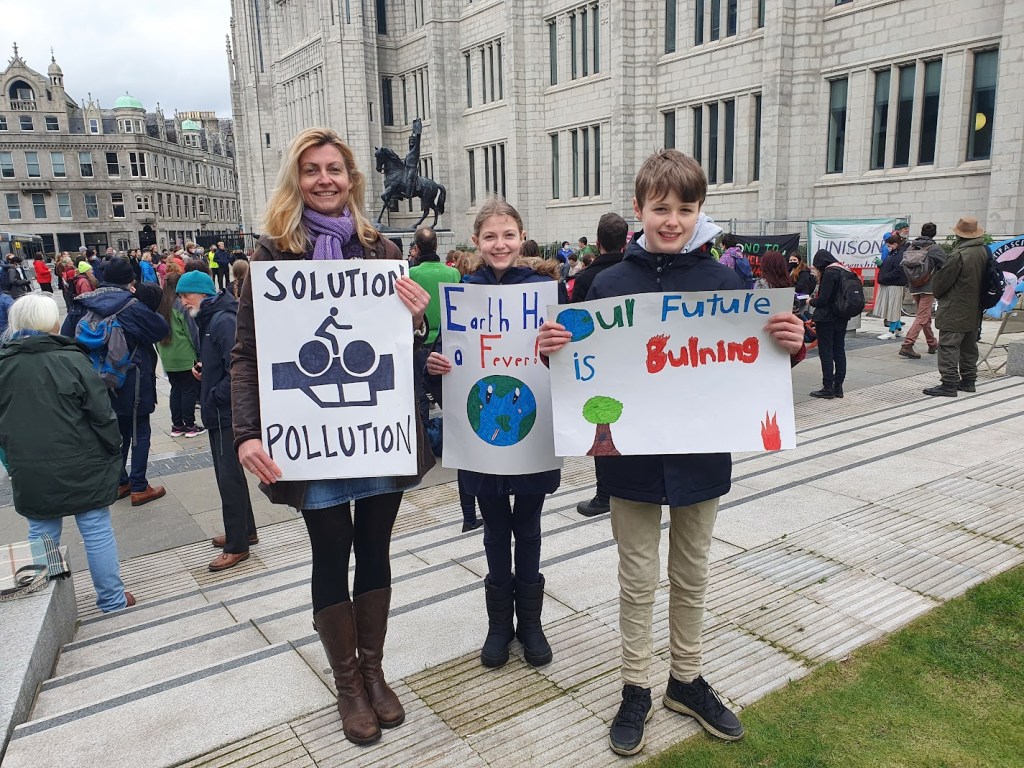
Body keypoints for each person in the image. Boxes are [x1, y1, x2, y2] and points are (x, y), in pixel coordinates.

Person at [536, 150, 806, 757]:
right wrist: (550, 346)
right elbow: (577, 369)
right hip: (629, 461)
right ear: (639, 210)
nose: (673, 220)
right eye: (661, 208)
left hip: (700, 457)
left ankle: (685, 677)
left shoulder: (727, 282)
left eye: (685, 209)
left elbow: (757, 364)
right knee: (636, 579)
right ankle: (636, 685)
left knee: (693, 574)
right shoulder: (606, 283)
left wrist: (791, 345)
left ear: (699, 211)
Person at [230, 127, 435, 746]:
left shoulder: (381, 248)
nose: (325, 179)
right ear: (298, 180)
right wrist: (246, 433)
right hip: (313, 441)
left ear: (352, 180)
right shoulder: (271, 256)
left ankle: (373, 673)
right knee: (331, 552)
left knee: (375, 548)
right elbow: (246, 354)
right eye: (313, 170)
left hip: (377, 433)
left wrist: (417, 317)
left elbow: (406, 351)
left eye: (335, 170)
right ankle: (347, 685)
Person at [426, 198, 561, 671]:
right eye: (490, 236)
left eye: (508, 235)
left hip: (529, 435)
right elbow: (445, 359)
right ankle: (499, 625)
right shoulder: (462, 293)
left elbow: (569, 361)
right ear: (477, 242)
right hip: (482, 439)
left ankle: (532, 622)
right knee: (494, 531)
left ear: (521, 237)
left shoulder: (544, 292)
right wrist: (435, 365)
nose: (500, 244)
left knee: (528, 527)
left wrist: (559, 346)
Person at [0, 294, 134, 612]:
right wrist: (113, 448)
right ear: (52, 323)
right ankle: (112, 601)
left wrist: (11, 460)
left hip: (30, 465)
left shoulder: (4, 366)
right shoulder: (71, 359)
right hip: (83, 460)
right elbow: (101, 413)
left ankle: (42, 610)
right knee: (96, 528)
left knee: (42, 532)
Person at [61, 257, 169, 505]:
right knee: (140, 429)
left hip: (95, 380)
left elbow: (66, 340)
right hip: (131, 378)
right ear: (131, 280)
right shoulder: (132, 306)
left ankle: (120, 482)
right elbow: (161, 330)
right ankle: (140, 486)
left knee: (115, 432)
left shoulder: (82, 305)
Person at [176, 270, 257, 571]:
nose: (183, 301)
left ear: (203, 294)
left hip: (225, 411)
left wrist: (214, 394)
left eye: (187, 295)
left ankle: (238, 546)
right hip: (220, 408)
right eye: (181, 295)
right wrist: (204, 370)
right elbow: (222, 361)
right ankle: (245, 530)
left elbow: (238, 367)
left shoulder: (221, 320)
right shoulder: (210, 317)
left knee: (228, 478)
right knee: (230, 475)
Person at [573, 212, 629, 518]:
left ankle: (605, 493)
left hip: (598, 366)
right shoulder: (636, 274)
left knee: (602, 427)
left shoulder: (585, 279)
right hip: (631, 364)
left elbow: (577, 327)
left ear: (597, 242)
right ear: (625, 240)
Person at [923, 217, 988, 397]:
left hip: (955, 306)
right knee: (969, 345)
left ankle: (949, 383)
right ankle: (969, 381)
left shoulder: (960, 254)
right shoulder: (983, 251)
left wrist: (937, 288)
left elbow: (942, 283)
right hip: (974, 307)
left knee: (949, 346)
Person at [408, 225, 460, 435]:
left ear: (417, 248)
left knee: (419, 393)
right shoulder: (453, 273)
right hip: (447, 342)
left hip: (421, 341)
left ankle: (422, 438)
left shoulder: (411, 273)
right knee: (448, 394)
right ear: (436, 245)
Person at [157, 273, 204, 438]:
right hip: (184, 354)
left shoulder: (160, 305)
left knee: (175, 390)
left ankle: (177, 425)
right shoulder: (181, 306)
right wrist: (199, 354)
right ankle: (190, 425)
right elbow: (192, 332)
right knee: (189, 390)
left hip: (167, 356)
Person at [899, 222, 946, 359]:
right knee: (922, 316)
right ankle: (907, 344)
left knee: (924, 315)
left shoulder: (911, 246)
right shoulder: (935, 248)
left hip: (914, 285)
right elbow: (946, 265)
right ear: (934, 233)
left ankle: (932, 343)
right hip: (928, 287)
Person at [808, 250, 850, 399]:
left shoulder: (829, 273)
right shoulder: (844, 270)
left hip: (826, 319)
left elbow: (823, 299)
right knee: (839, 350)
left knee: (826, 352)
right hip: (841, 317)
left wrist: (810, 301)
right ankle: (838, 387)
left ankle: (827, 387)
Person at [873, 233, 908, 339]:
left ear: (895, 244)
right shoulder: (894, 253)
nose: (888, 248)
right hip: (890, 283)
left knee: (893, 308)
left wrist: (885, 277)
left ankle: (891, 331)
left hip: (894, 284)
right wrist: (881, 265)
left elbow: (898, 270)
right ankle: (898, 330)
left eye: (889, 245)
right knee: (892, 308)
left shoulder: (900, 254)